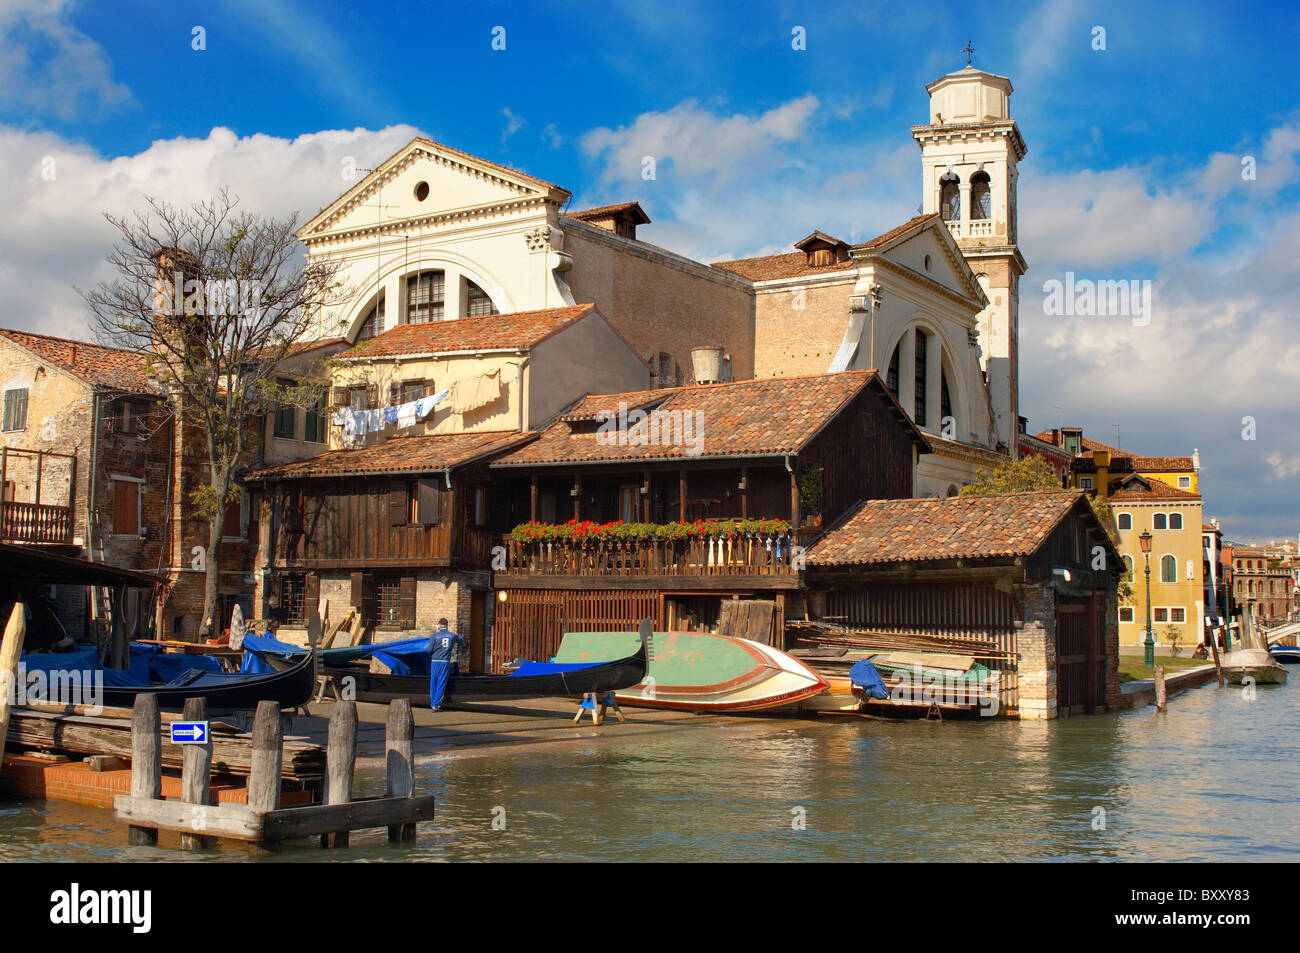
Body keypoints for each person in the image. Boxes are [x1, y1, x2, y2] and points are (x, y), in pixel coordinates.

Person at [428, 617, 465, 711]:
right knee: (441, 683)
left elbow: (429, 650)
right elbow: (461, 639)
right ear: (447, 625)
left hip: (435, 661)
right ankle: (436, 705)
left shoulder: (434, 636)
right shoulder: (452, 636)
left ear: (439, 625)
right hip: (445, 662)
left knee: (433, 682)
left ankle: (433, 703)